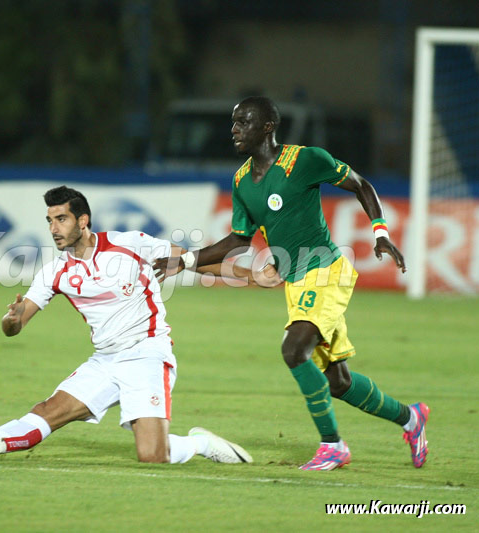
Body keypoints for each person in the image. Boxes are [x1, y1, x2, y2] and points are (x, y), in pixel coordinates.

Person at [154, 96, 429, 471]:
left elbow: (361, 185)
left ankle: (333, 445)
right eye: (234, 123)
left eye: (244, 123)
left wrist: (380, 232)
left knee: (293, 349)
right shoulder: (240, 182)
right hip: (297, 283)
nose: (234, 130)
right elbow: (237, 241)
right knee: (338, 382)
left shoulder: (305, 160)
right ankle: (411, 418)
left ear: (267, 127)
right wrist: (184, 261)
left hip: (326, 271)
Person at [0, 185, 260, 464]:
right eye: (49, 220)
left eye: (61, 219)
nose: (53, 229)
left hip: (147, 355)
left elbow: (194, 261)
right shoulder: (55, 272)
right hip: (104, 361)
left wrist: (251, 274)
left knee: (152, 456)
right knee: (48, 412)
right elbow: (16, 325)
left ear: (83, 220)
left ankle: (198, 444)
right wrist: (11, 319)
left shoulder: (130, 244)